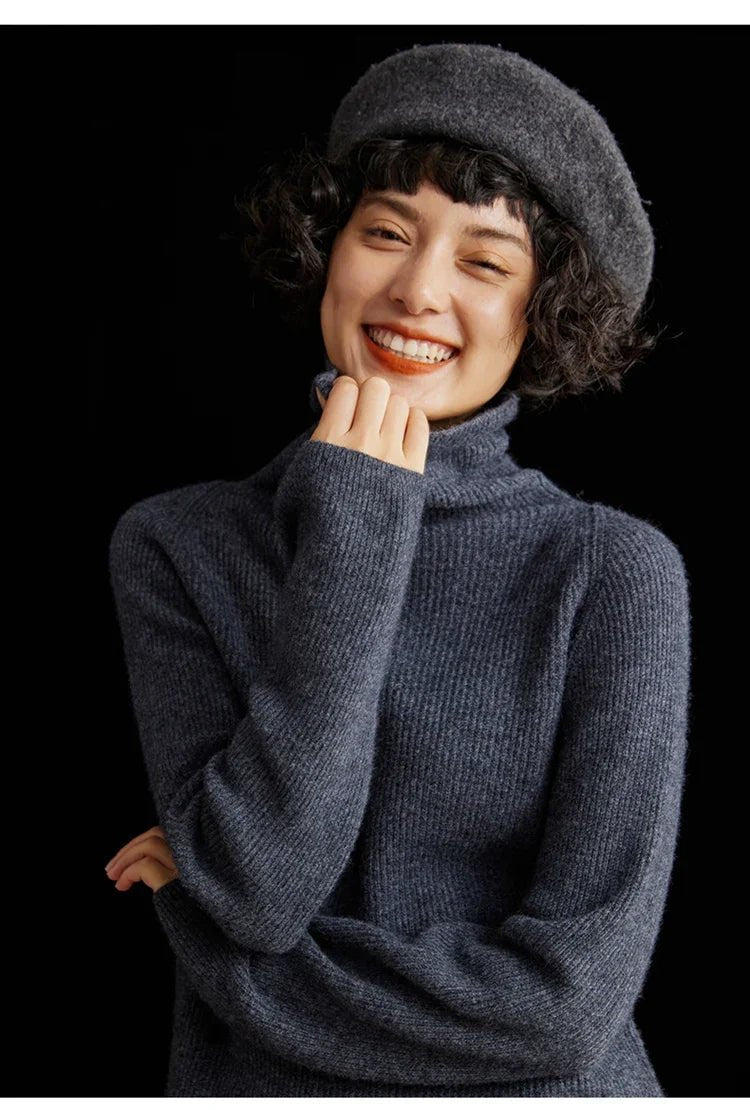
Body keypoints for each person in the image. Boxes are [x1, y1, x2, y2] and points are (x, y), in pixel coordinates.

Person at [105, 42, 691, 1097]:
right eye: (385, 233)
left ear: (542, 311)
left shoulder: (612, 574)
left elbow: (564, 1012)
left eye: (485, 263)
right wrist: (359, 527)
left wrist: (213, 939)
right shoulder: (177, 546)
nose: (418, 291)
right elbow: (267, 888)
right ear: (327, 249)